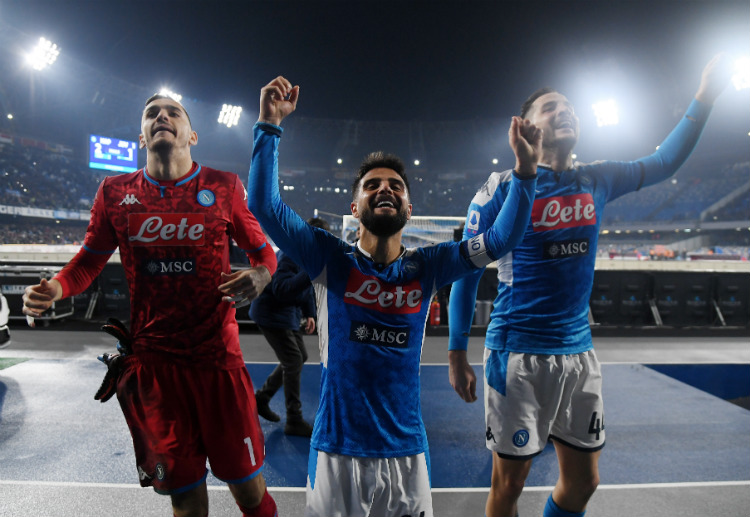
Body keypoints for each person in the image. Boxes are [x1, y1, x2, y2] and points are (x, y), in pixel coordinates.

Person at [447, 53, 732, 517]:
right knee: (510, 484)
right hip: (517, 353)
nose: (566, 112)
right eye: (552, 107)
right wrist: (457, 353)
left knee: (584, 481)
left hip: (579, 354)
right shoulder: (498, 189)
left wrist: (705, 96)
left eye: (571, 107)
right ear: (524, 126)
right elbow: (467, 269)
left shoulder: (597, 178)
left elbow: (664, 161)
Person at [247, 76, 541, 517]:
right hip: (335, 452)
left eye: (395, 186)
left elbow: (499, 241)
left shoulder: (430, 265)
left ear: (408, 209)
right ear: (354, 209)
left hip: (406, 454)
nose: (384, 188)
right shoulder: (330, 258)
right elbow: (264, 206)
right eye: (371, 185)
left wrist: (525, 172)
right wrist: (269, 127)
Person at [22, 94, 279, 517]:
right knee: (185, 500)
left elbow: (262, 251)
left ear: (192, 135)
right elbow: (88, 263)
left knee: (249, 491)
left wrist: (262, 274)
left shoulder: (224, 186)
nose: (162, 116)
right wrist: (56, 287)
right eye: (151, 114)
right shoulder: (114, 192)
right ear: (141, 138)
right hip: (156, 370)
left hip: (217, 363)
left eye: (173, 112)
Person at [251, 217, 330, 437]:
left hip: (287, 313)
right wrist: (311, 273)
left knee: (298, 356)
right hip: (271, 313)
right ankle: (293, 419)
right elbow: (282, 289)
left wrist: (309, 313)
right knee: (293, 359)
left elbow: (301, 289)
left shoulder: (305, 254)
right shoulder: (291, 254)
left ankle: (262, 398)